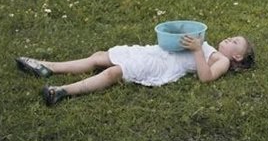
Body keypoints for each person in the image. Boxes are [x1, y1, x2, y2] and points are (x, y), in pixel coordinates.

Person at [16, 33, 255, 106]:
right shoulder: (209, 46)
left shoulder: (221, 61)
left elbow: (206, 77)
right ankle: (48, 66)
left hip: (162, 65)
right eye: (232, 36)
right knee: (100, 57)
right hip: (155, 53)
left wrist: (196, 50)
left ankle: (62, 91)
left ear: (236, 56)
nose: (229, 38)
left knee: (114, 72)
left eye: (235, 42)